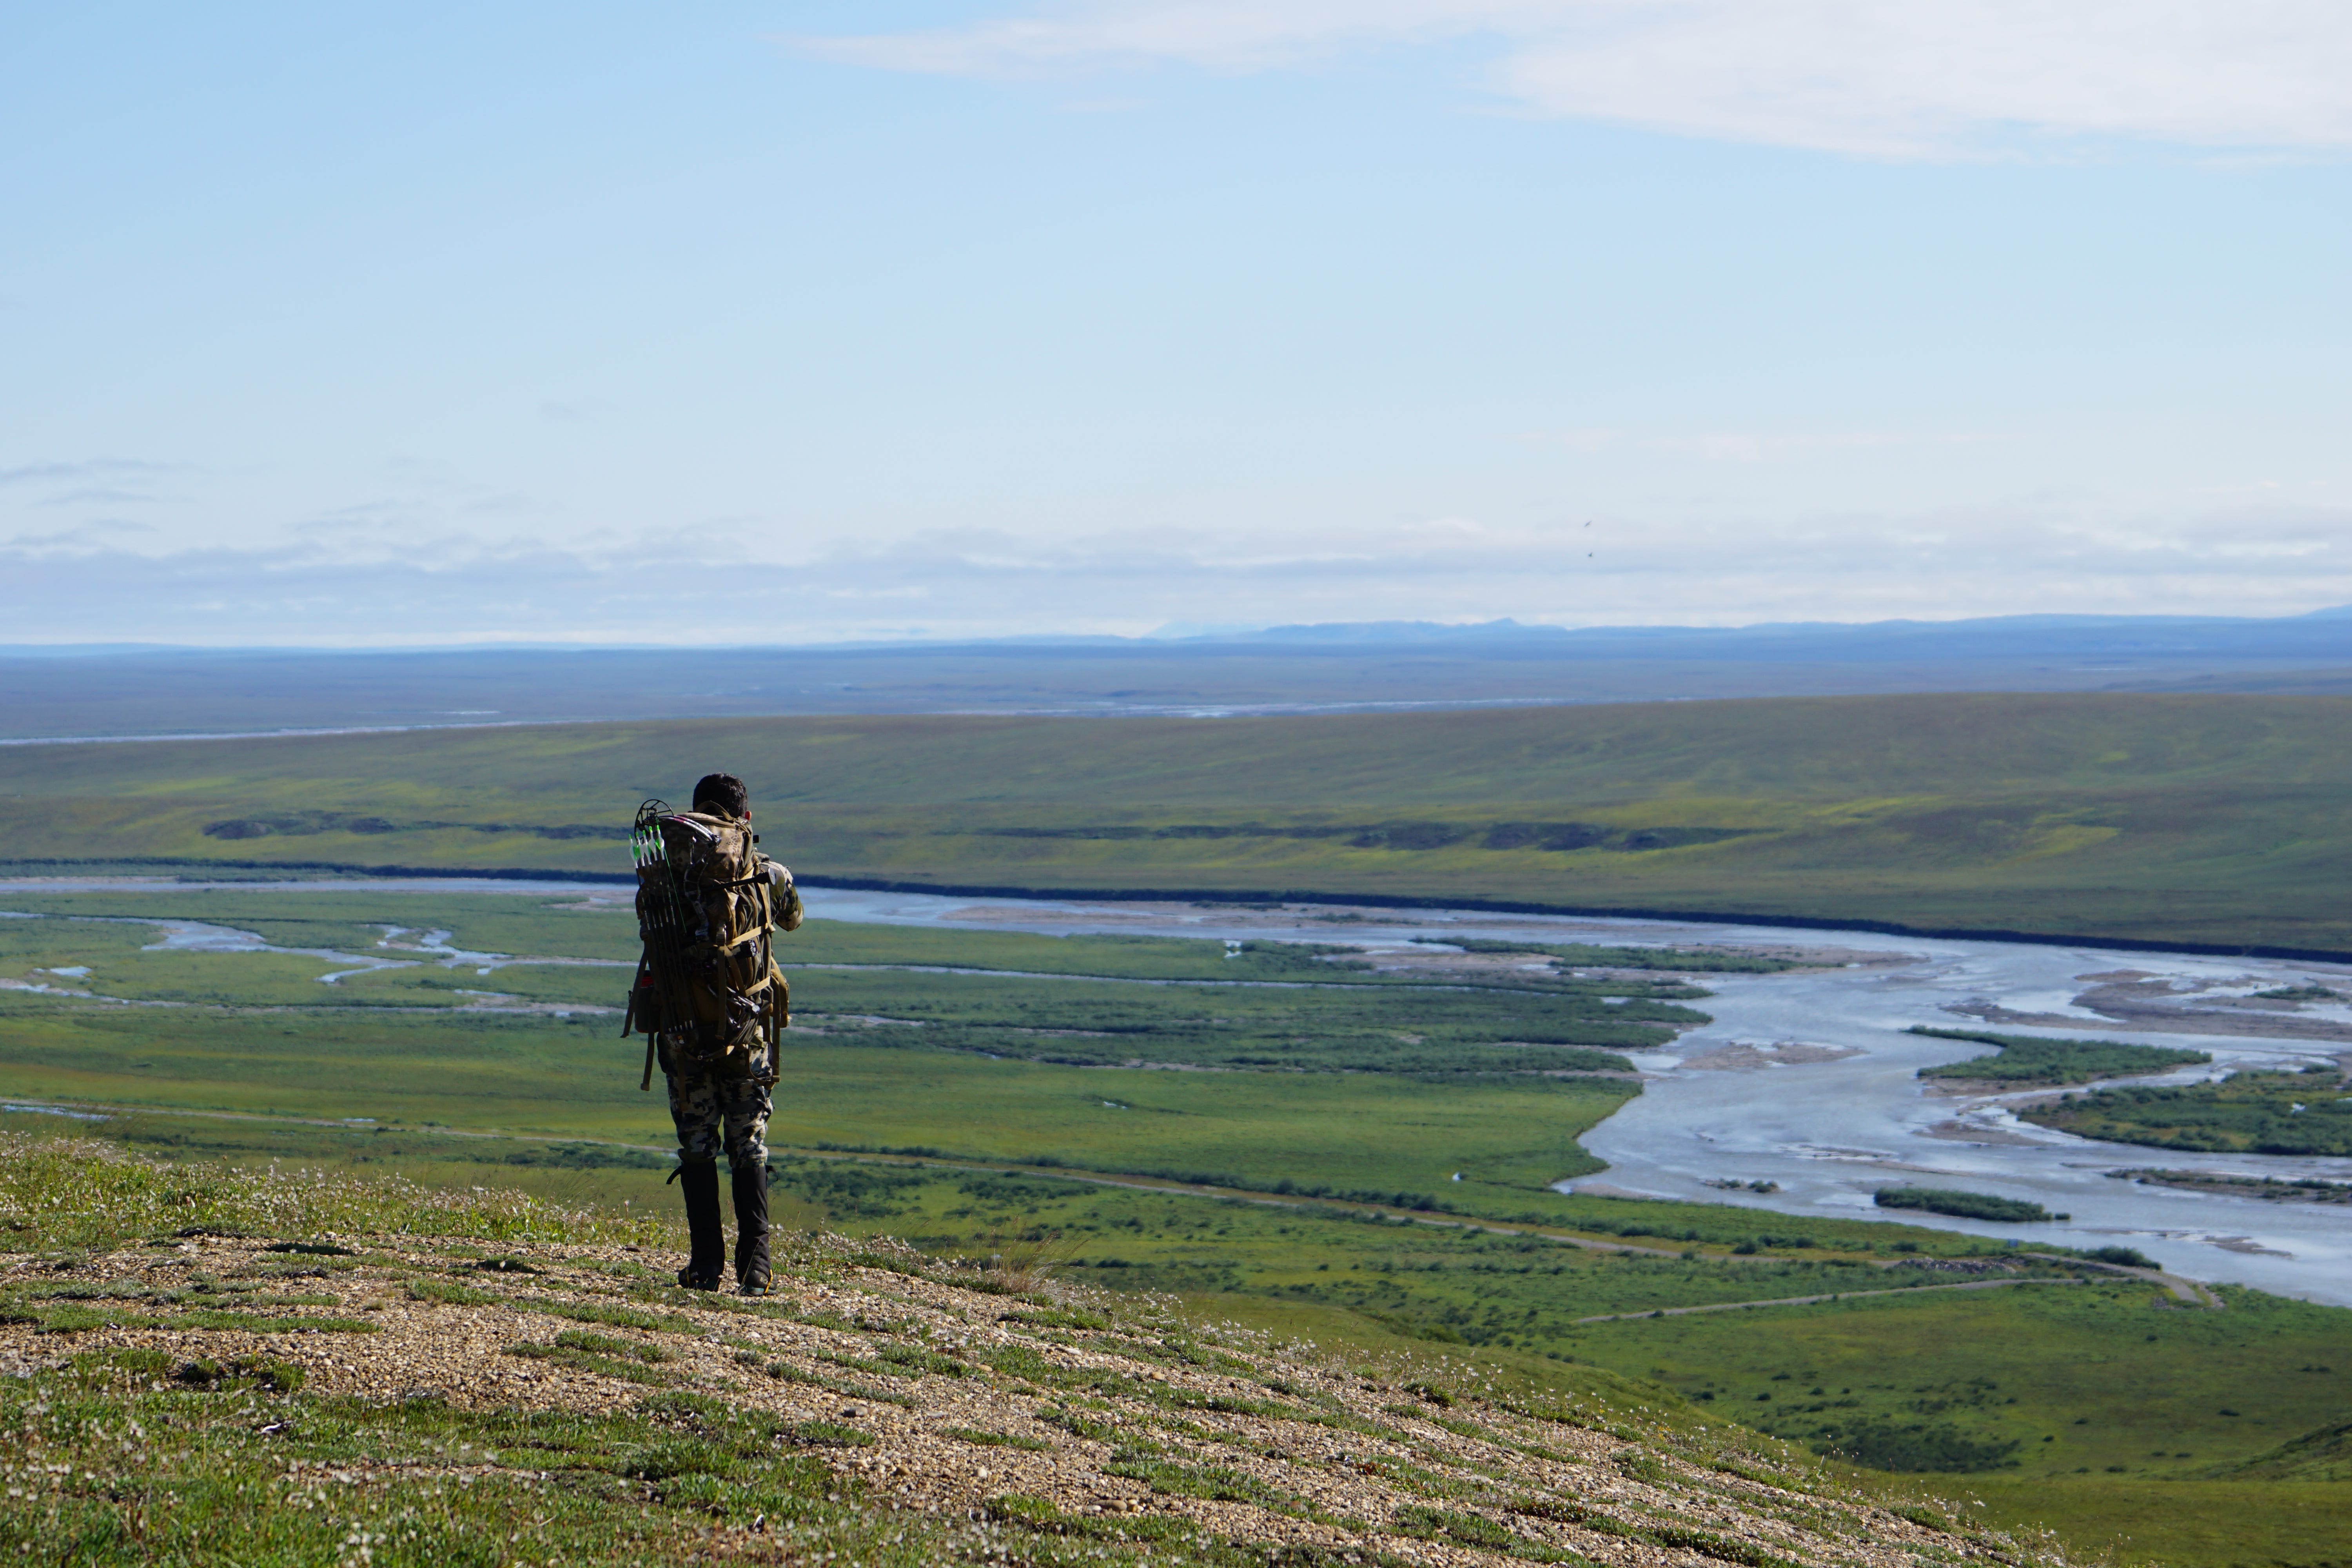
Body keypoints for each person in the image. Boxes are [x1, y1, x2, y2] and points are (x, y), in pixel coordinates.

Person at [635, 771, 803, 1294]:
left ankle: (706, 1266)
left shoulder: (666, 875)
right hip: (746, 1031)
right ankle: (757, 1270)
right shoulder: (765, 873)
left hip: (683, 1031)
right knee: (748, 1145)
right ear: (745, 819)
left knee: (698, 1145)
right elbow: (794, 921)